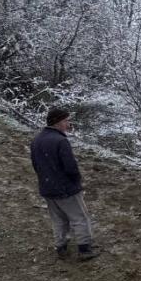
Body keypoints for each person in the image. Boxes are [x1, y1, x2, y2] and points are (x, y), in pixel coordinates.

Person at [30, 107, 96, 260]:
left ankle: (61, 247)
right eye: (66, 120)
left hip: (47, 188)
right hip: (65, 189)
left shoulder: (37, 140)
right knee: (80, 217)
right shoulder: (61, 141)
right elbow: (70, 167)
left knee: (58, 219)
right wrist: (76, 182)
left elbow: (36, 165)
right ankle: (85, 250)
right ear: (57, 122)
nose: (68, 124)